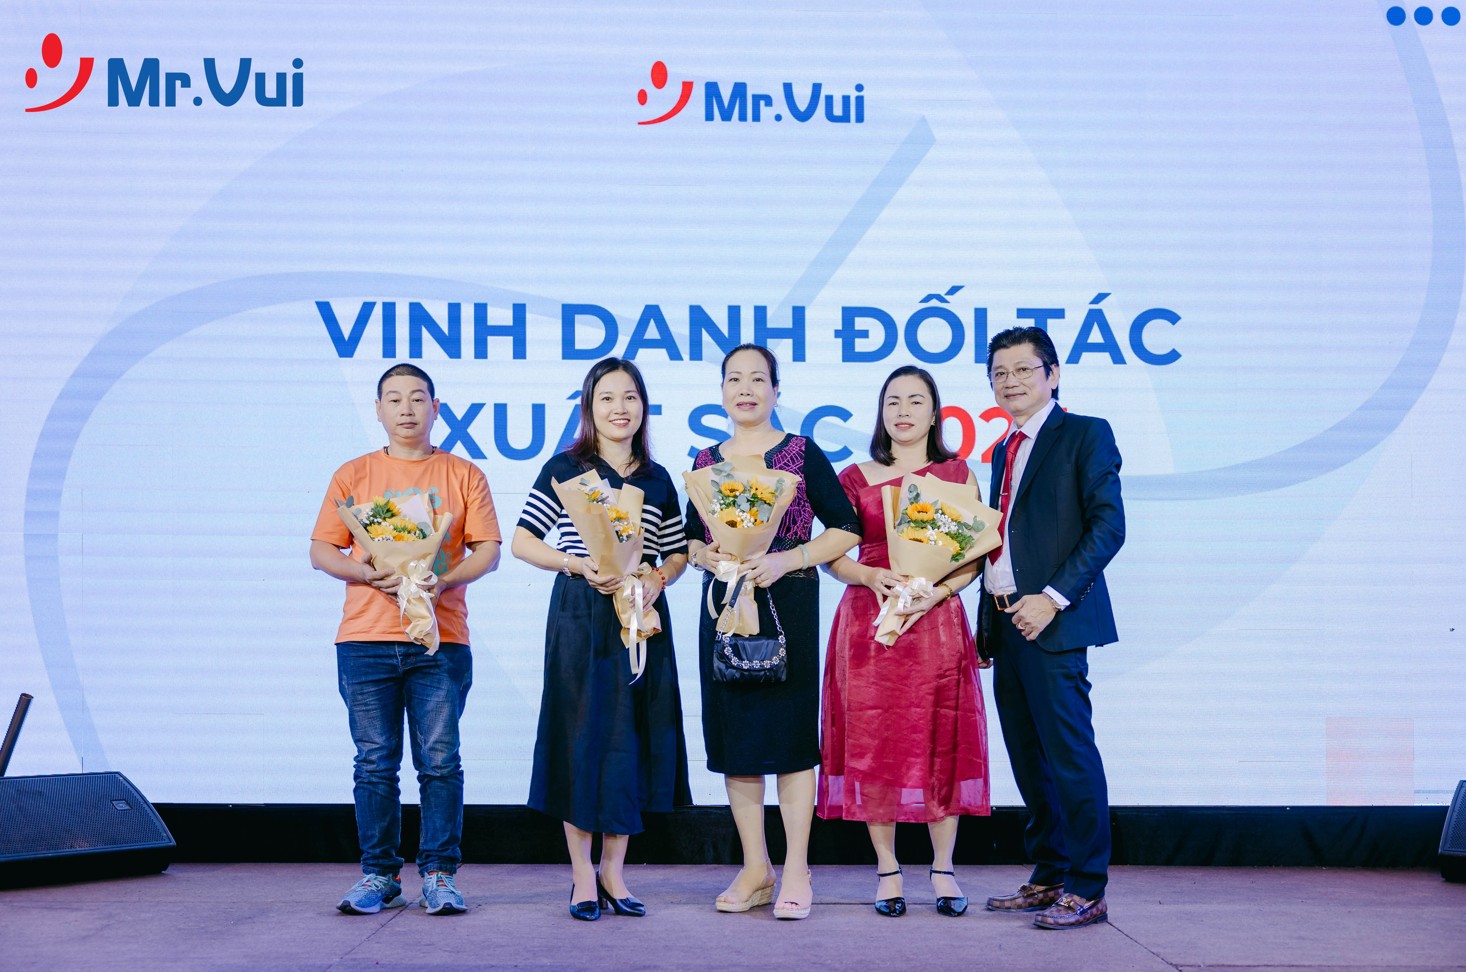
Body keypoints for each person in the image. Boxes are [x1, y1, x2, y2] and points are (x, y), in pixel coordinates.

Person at [310, 363, 502, 916]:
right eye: (393, 399)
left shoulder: (463, 474)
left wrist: (444, 578)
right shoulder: (354, 474)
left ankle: (439, 874)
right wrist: (364, 572)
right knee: (374, 763)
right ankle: (379, 875)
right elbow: (321, 550)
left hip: (440, 640)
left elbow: (488, 551)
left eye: (418, 398)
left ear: (436, 408)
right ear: (377, 410)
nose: (406, 409)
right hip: (365, 638)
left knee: (439, 761)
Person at [512, 358, 692, 921]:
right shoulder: (566, 469)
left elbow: (677, 552)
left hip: (640, 616)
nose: (620, 408)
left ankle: (614, 872)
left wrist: (658, 578)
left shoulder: (657, 478)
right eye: (607, 397)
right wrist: (575, 563)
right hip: (581, 615)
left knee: (631, 739)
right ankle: (581, 876)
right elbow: (522, 541)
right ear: (590, 407)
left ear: (643, 406)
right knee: (581, 738)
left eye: (630, 397)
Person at [685, 344, 860, 921]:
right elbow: (689, 540)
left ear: (776, 390)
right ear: (721, 392)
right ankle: (755, 867)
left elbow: (847, 527)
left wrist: (788, 559)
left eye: (758, 379)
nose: (746, 389)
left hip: (788, 600)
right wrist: (710, 557)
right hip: (726, 605)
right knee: (736, 739)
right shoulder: (706, 462)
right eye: (734, 379)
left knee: (789, 741)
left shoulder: (801, 454)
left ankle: (797, 869)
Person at [817, 365, 990, 918]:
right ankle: (887, 869)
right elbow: (832, 556)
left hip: (935, 625)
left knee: (942, 738)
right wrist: (869, 575)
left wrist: (938, 591)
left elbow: (974, 555)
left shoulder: (957, 474)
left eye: (916, 401)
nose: (904, 411)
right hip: (869, 626)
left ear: (935, 413)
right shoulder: (853, 477)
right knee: (875, 743)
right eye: (893, 401)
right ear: (881, 411)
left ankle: (943, 868)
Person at [977, 326, 1124, 930]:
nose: (1010, 381)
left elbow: (1108, 527)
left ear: (1053, 374)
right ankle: (1050, 873)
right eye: (1000, 373)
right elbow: (999, 544)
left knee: (1069, 755)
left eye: (1023, 370)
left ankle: (1088, 887)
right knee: (1029, 758)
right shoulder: (1002, 451)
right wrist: (988, 628)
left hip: (1053, 622)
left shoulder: (1085, 434)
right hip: (1006, 621)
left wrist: (1053, 599)